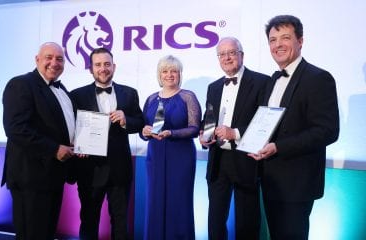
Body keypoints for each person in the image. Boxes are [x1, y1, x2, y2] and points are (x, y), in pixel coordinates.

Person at [249, 15, 340, 240]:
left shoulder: (318, 78)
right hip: (270, 179)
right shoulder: (272, 79)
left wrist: (279, 147)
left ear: (301, 41)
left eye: (285, 38)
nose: (278, 44)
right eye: (272, 39)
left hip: (297, 181)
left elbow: (328, 130)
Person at [1, 42, 75, 240]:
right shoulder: (21, 84)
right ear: (37, 59)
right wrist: (53, 149)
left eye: (59, 59)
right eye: (49, 57)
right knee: (31, 234)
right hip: (31, 177)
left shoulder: (63, 91)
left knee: (45, 234)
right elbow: (16, 128)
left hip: (53, 175)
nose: (54, 63)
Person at [199, 37, 270, 240]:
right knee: (215, 221)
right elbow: (208, 119)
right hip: (218, 160)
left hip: (246, 159)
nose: (227, 57)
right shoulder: (213, 87)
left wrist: (235, 133)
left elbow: (265, 123)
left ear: (242, 55)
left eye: (232, 52)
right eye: (222, 54)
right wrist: (204, 135)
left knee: (247, 222)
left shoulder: (262, 82)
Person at [70, 47, 144, 240]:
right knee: (88, 220)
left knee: (120, 222)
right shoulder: (76, 95)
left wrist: (126, 118)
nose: (103, 68)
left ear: (114, 66)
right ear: (91, 69)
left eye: (107, 64)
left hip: (120, 169)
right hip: (89, 169)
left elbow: (140, 123)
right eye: (98, 65)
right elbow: (70, 128)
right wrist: (77, 144)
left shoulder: (129, 93)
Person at [140, 55, 201, 240]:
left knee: (179, 202)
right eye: (165, 71)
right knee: (155, 201)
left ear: (179, 74)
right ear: (160, 74)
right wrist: (145, 131)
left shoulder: (187, 96)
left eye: (174, 71)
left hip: (181, 157)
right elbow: (143, 131)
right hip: (155, 157)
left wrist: (171, 133)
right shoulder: (151, 99)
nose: (169, 75)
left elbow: (194, 128)